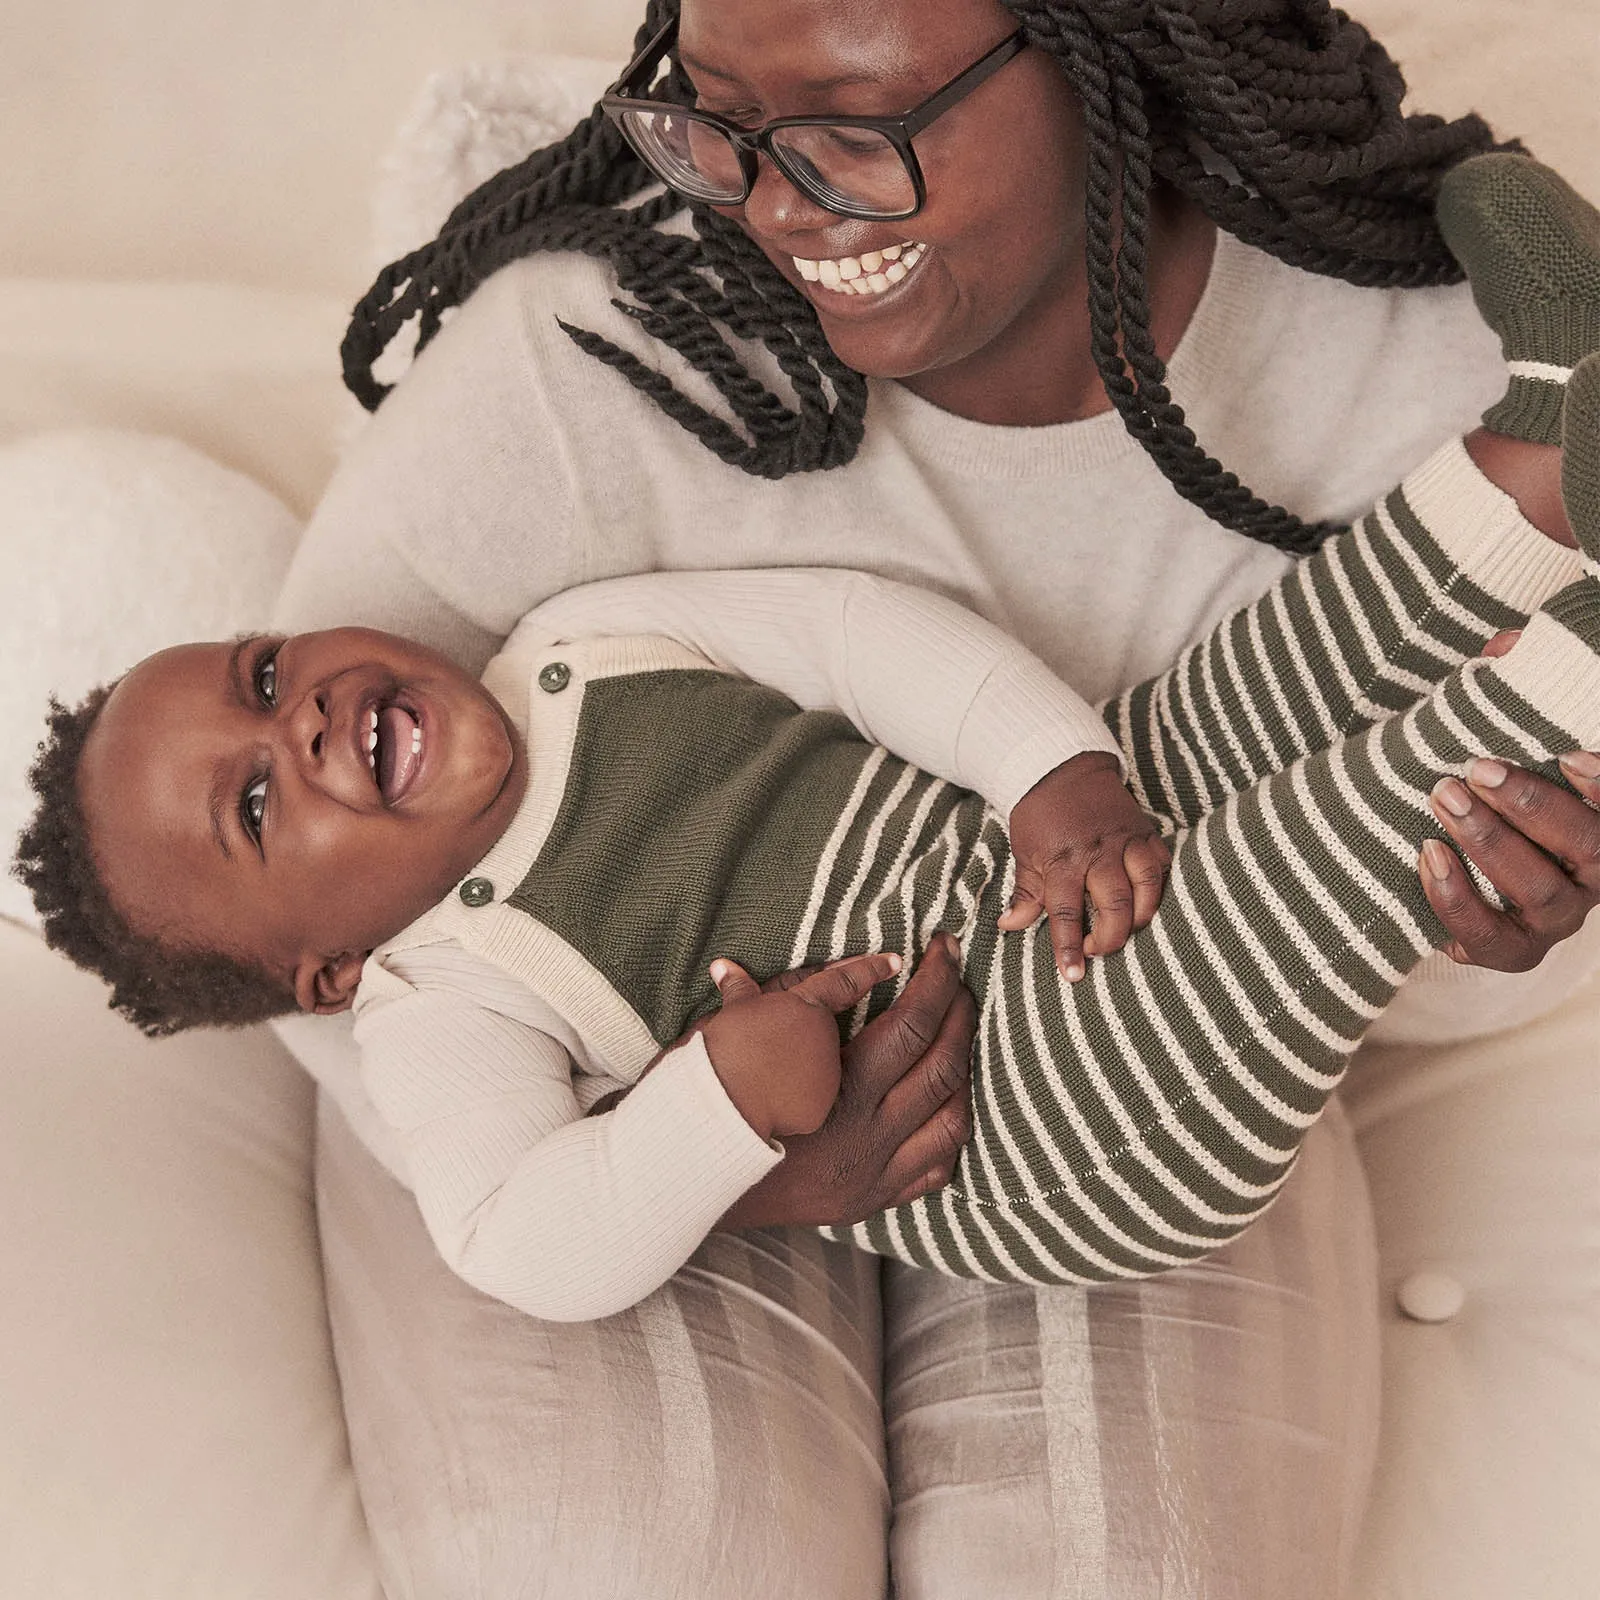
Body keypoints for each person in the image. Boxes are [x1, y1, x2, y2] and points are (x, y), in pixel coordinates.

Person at [279, 0, 1600, 1587]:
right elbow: (286, 902)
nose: (775, 206)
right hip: (603, 1099)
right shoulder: (604, 346)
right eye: (718, 122)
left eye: (858, 125)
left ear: (1111, 54)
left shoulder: (1379, 351)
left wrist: (1497, 919)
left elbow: (1360, 949)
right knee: (631, 1564)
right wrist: (711, 1167)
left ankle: (1552, 457)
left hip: (1144, 989)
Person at [18, 165, 1600, 1329]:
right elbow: (516, 1239)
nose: (293, 726)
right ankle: (1569, 672)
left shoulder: (576, 642)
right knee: (1315, 843)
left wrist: (1052, 773)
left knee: (1240, 698)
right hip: (1038, 1114)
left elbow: (853, 633)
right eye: (249, 804)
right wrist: (724, 1110)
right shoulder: (446, 999)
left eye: (261, 671)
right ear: (326, 976)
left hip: (1025, 872)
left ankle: (1536, 455)